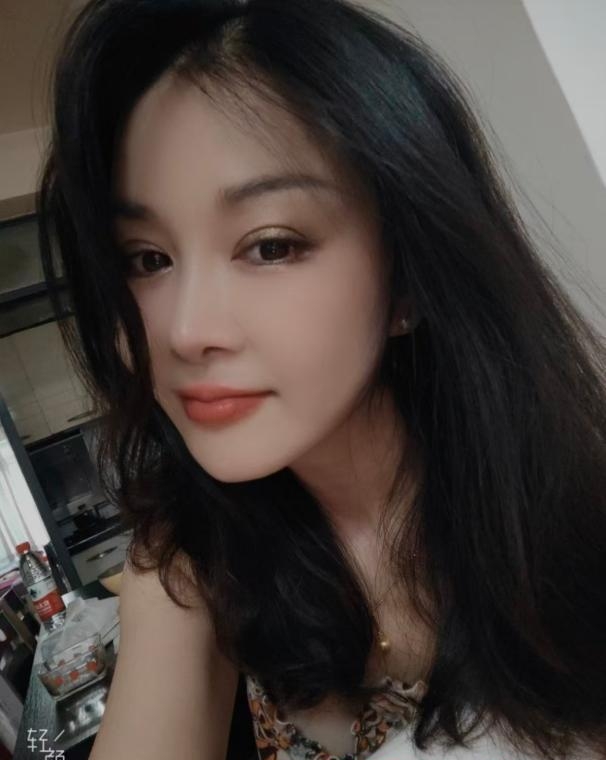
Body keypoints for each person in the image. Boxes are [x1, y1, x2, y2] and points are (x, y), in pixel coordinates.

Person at [37, 1, 606, 758]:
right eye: (147, 260)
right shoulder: (190, 572)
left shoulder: (571, 521)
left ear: (408, 278)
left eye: (270, 246)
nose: (184, 332)